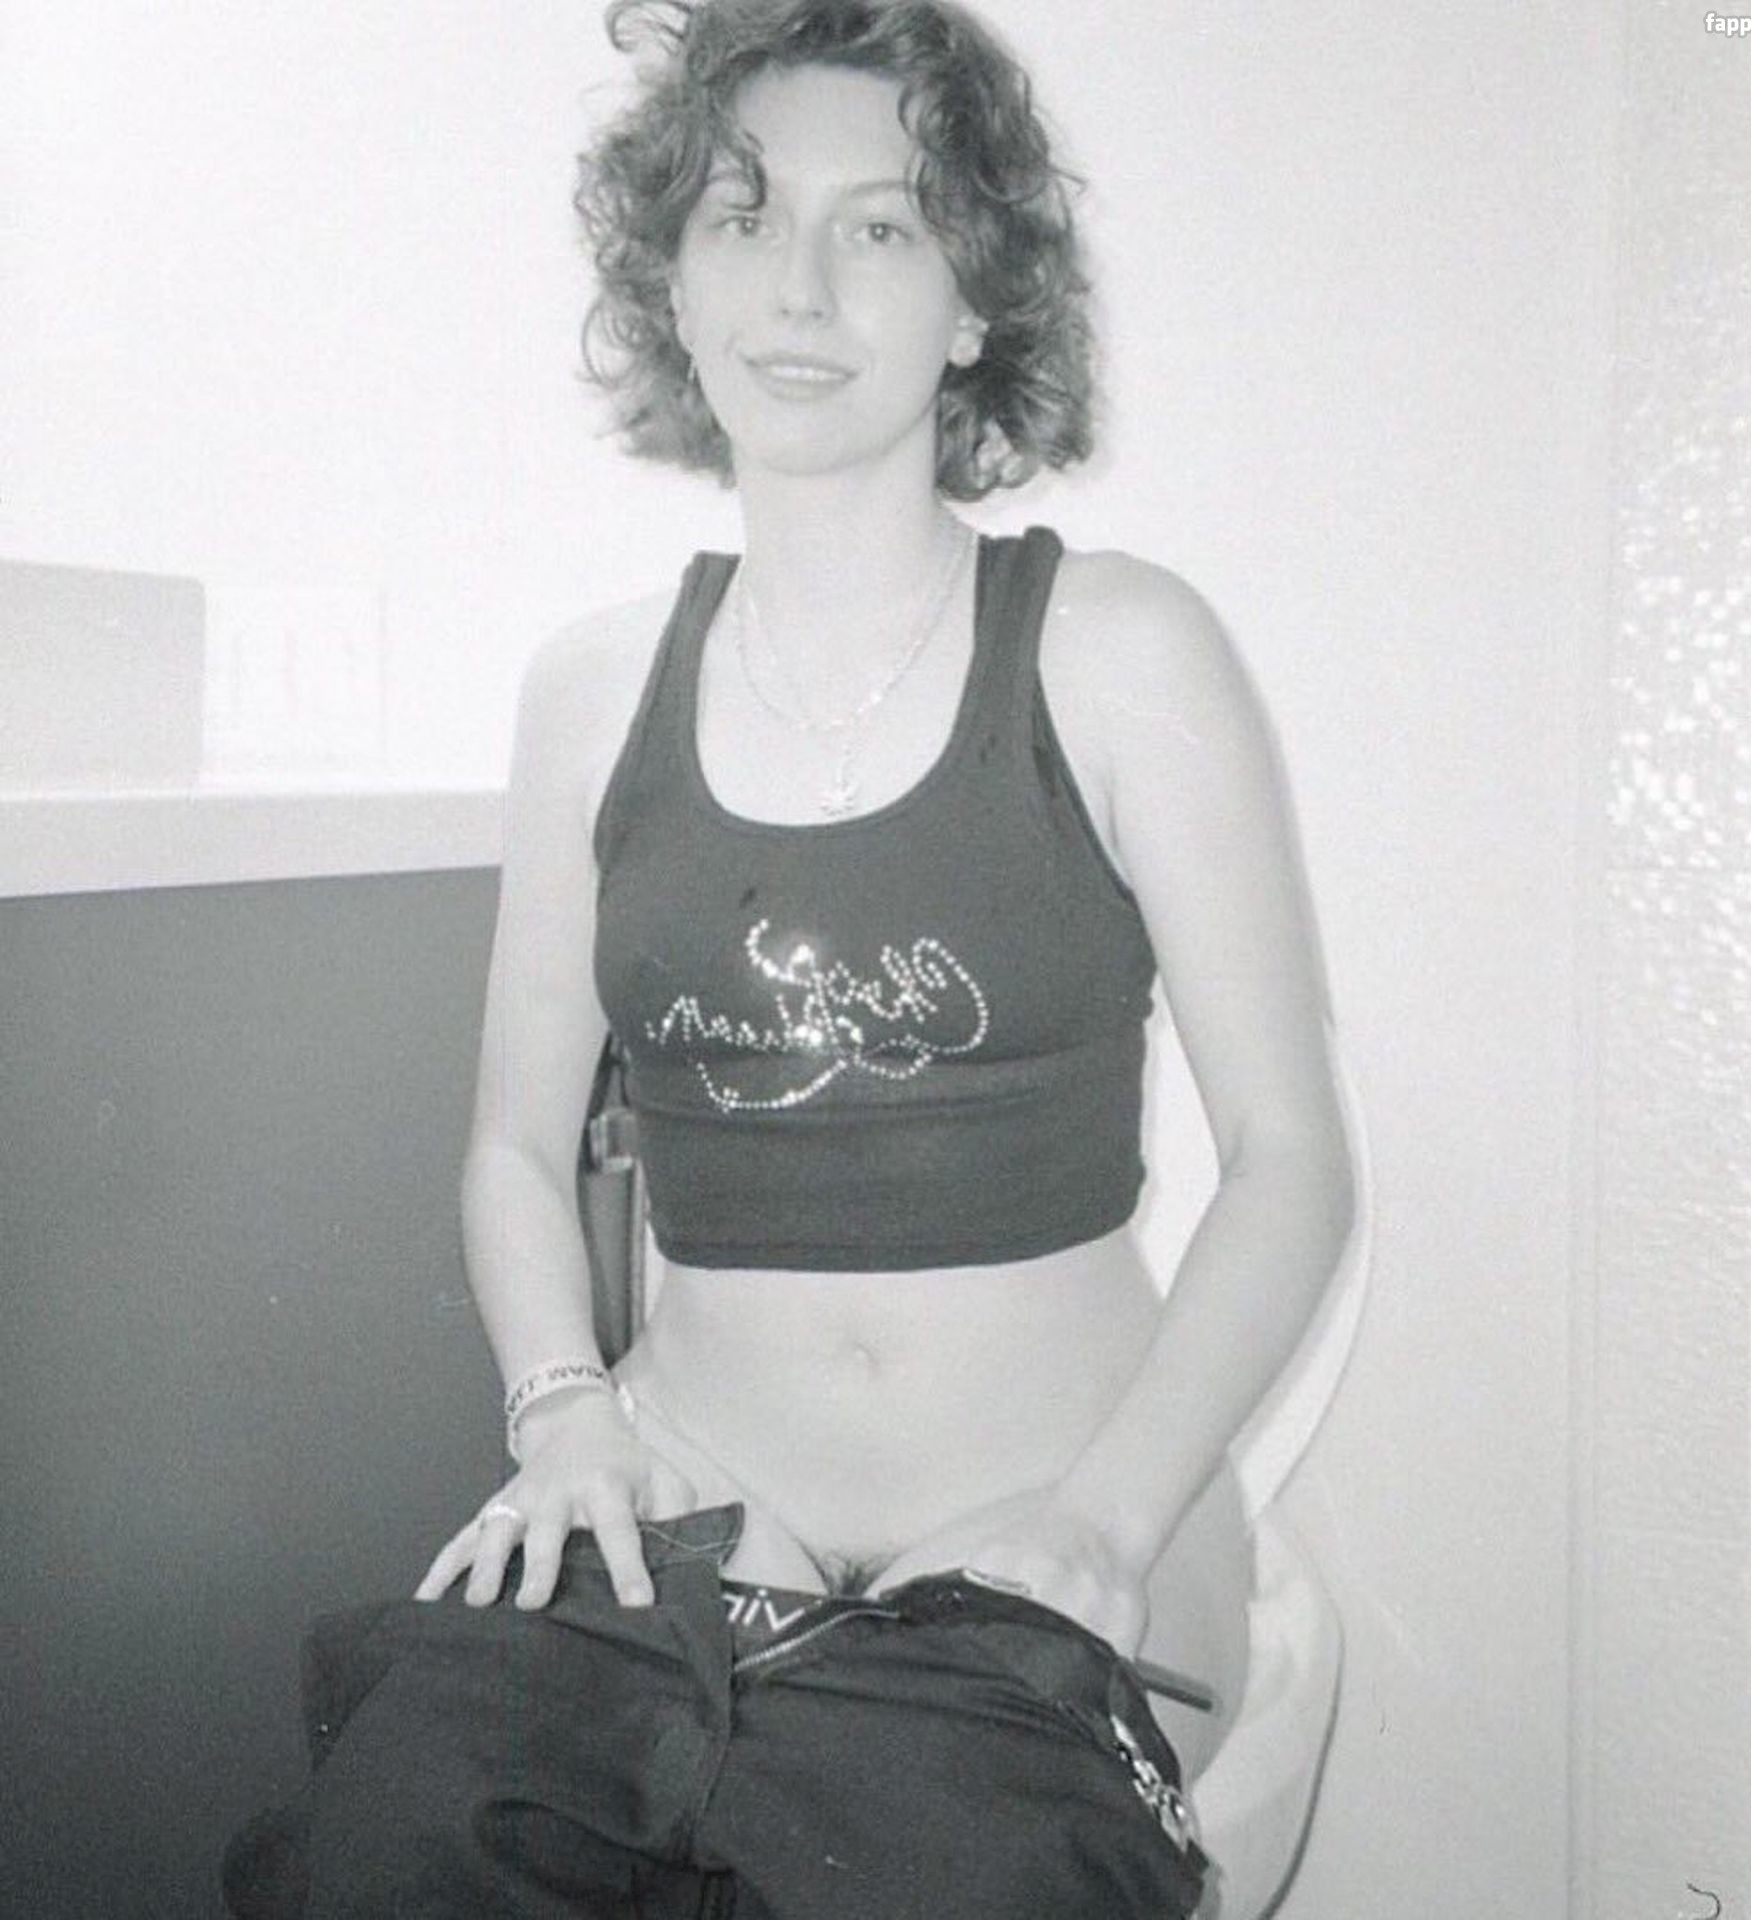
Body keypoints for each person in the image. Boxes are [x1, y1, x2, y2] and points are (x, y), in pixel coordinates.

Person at [224, 2, 1357, 1914]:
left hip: (1059, 1519)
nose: (802, 285)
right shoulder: (590, 691)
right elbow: (512, 1149)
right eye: (743, 216)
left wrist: (1104, 1522)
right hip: (686, 1507)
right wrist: (562, 1411)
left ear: (977, 302)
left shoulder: (1120, 650)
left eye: (882, 225)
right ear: (671, 279)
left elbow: (1294, 1163)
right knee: (390, 1849)